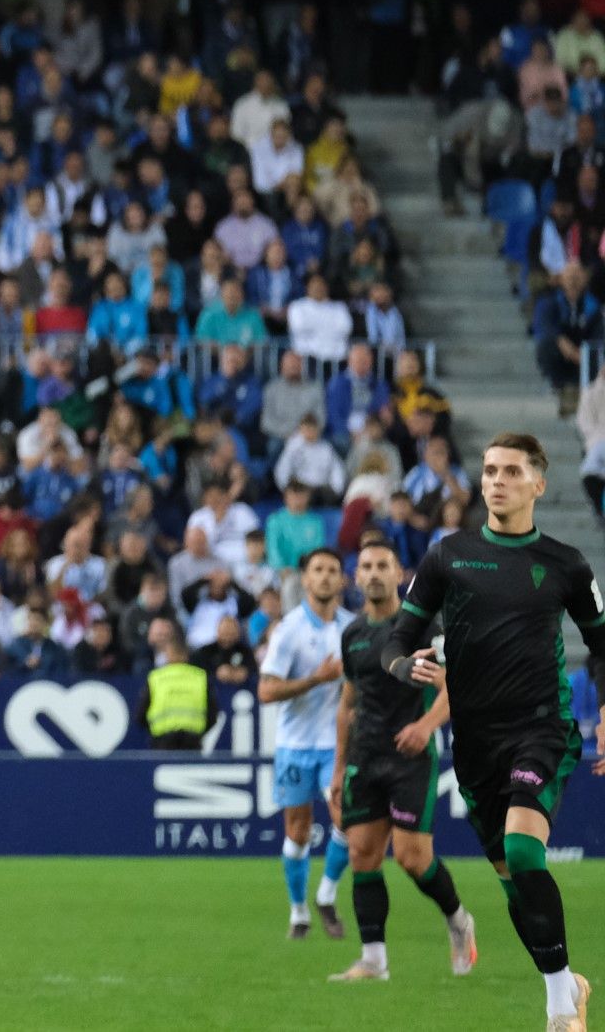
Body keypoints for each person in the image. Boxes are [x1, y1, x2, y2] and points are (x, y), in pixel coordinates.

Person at [384, 434, 605, 1029]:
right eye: (487, 470)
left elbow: (602, 647)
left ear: (539, 484)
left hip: (542, 728)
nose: (495, 480)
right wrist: (408, 666)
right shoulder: (447, 556)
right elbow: (398, 639)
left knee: (522, 848)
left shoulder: (566, 563)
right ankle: (569, 984)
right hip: (475, 742)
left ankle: (560, 1009)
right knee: (513, 882)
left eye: (510, 471)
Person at [327, 534, 477, 983]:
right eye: (366, 566)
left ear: (400, 574)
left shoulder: (422, 631)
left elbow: (452, 689)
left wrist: (425, 727)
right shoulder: (352, 634)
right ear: (356, 578)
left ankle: (458, 918)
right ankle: (373, 960)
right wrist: (338, 764)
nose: (374, 573)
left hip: (410, 757)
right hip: (364, 756)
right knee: (362, 854)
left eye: (382, 566)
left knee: (412, 858)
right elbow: (347, 704)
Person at [258, 547, 356, 941]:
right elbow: (266, 691)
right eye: (318, 570)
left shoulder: (353, 627)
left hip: (337, 744)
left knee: (347, 820)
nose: (326, 576)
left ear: (343, 580)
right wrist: (317, 678)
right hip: (295, 744)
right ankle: (298, 911)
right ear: (306, 579)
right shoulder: (289, 630)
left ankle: (326, 894)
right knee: (297, 832)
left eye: (333, 569)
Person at [139, 633, 213, 751]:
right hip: (192, 742)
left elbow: (141, 714)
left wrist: (155, 730)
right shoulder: (200, 677)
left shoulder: (156, 678)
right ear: (186, 655)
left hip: (162, 742)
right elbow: (212, 714)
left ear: (168, 654)